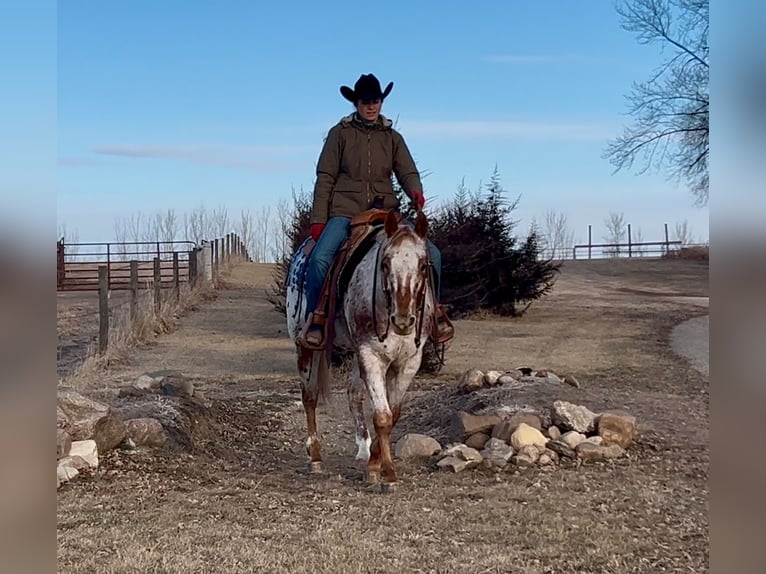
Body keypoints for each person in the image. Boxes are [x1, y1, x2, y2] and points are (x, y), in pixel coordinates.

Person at [299, 73, 455, 349]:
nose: (372, 106)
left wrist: (415, 191)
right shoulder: (340, 134)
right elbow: (325, 177)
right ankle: (318, 318)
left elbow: (407, 171)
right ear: (356, 103)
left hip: (386, 214)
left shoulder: (393, 138)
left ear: (381, 102)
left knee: (433, 254)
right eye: (366, 101)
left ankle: (434, 313)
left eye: (376, 101)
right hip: (345, 211)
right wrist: (318, 221)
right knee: (321, 258)